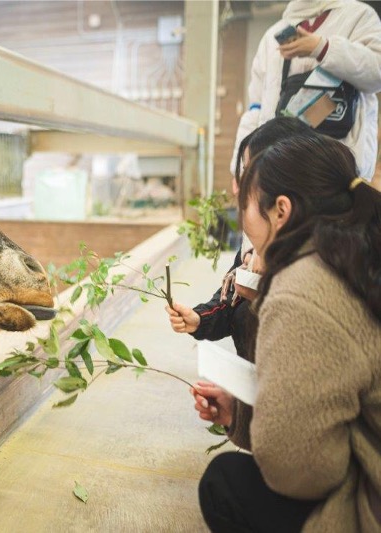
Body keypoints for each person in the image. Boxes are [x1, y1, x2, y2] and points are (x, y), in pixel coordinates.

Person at [195, 134, 381, 531]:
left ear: (281, 210)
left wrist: (257, 424)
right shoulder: (359, 252)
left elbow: (299, 471)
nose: (238, 205)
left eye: (245, 198)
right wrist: (240, 413)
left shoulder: (302, 289)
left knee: (226, 483)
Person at [166, 117, 316, 357]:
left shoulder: (313, 262)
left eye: (247, 171)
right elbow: (229, 301)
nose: (237, 187)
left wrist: (259, 297)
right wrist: (198, 320)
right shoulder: (256, 246)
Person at [232, 0, 381, 180]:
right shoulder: (272, 36)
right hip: (279, 172)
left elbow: (377, 73)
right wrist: (241, 170)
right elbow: (256, 109)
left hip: (339, 172)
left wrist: (323, 49)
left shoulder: (358, 17)